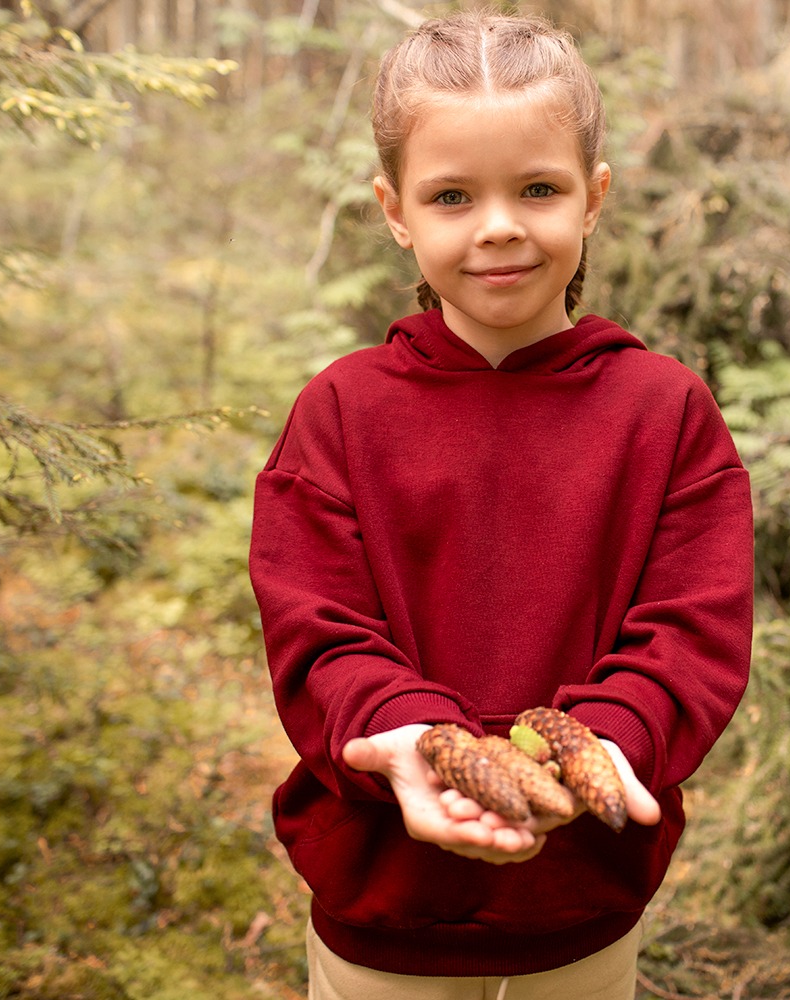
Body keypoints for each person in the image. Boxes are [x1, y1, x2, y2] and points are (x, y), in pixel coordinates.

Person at [248, 10, 753, 999]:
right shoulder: (340, 412)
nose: (499, 227)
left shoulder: (665, 412)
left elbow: (693, 630)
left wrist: (608, 739)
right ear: (396, 211)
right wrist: (409, 737)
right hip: (382, 911)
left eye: (537, 188)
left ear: (593, 197)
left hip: (584, 912)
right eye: (451, 195)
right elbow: (318, 632)